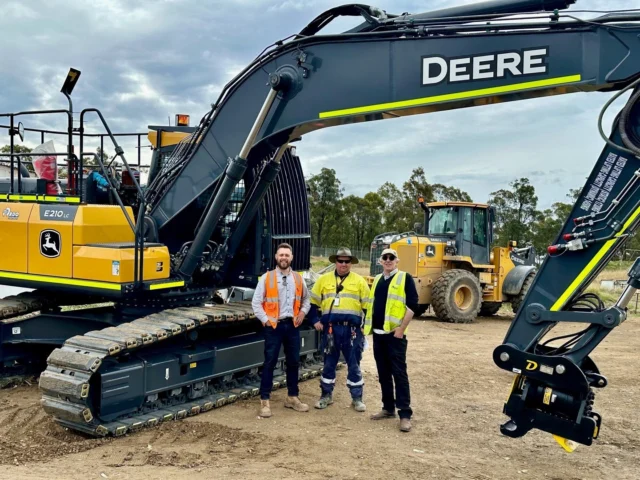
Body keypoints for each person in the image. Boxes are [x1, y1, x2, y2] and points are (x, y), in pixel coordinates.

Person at [251, 242, 311, 418]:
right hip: (274, 327)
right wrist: (266, 320)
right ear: (276, 257)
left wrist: (302, 312)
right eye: (281, 255)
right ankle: (265, 401)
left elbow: (306, 300)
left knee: (293, 362)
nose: (284, 258)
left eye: (287, 255)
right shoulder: (267, 278)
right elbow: (256, 302)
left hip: (292, 326)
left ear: (291, 258)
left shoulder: (298, 279)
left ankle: (292, 397)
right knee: (270, 362)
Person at [363, 248, 418, 432]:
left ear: (397, 260)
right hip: (378, 335)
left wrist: (401, 329)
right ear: (380, 261)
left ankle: (405, 414)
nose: (388, 260)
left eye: (391, 257)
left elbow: (412, 305)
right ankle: (388, 408)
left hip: (395, 336)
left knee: (399, 374)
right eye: (385, 258)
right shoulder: (378, 279)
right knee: (383, 374)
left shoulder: (404, 278)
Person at [309, 247, 370, 412]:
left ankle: (357, 398)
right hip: (330, 330)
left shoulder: (359, 282)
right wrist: (315, 320)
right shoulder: (323, 280)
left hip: (352, 331)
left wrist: (366, 326)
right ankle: (326, 396)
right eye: (340, 261)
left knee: (354, 364)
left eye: (347, 261)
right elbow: (312, 302)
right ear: (335, 262)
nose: (343, 264)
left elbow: (368, 307)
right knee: (329, 363)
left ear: (351, 263)